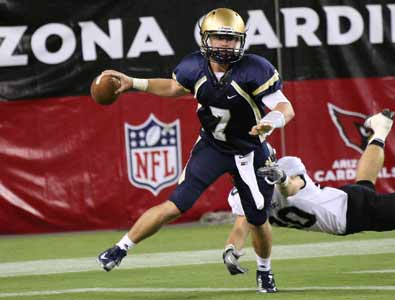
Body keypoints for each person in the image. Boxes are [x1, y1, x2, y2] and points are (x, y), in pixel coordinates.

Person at [96, 8, 295, 293]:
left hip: (250, 151)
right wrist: (134, 83)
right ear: (205, 38)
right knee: (176, 204)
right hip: (212, 147)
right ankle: (120, 248)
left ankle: (265, 271)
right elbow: (175, 87)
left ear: (241, 41)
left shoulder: (255, 68)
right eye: (218, 38)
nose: (225, 45)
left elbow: (285, 107)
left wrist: (270, 122)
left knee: (258, 216)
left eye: (231, 39)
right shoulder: (193, 67)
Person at [223, 109, 395, 275]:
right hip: (344, 199)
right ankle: (380, 129)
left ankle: (380, 129)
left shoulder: (285, 166)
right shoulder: (240, 194)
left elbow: (292, 187)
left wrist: (282, 179)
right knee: (365, 185)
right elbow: (241, 227)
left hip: (355, 212)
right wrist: (231, 250)